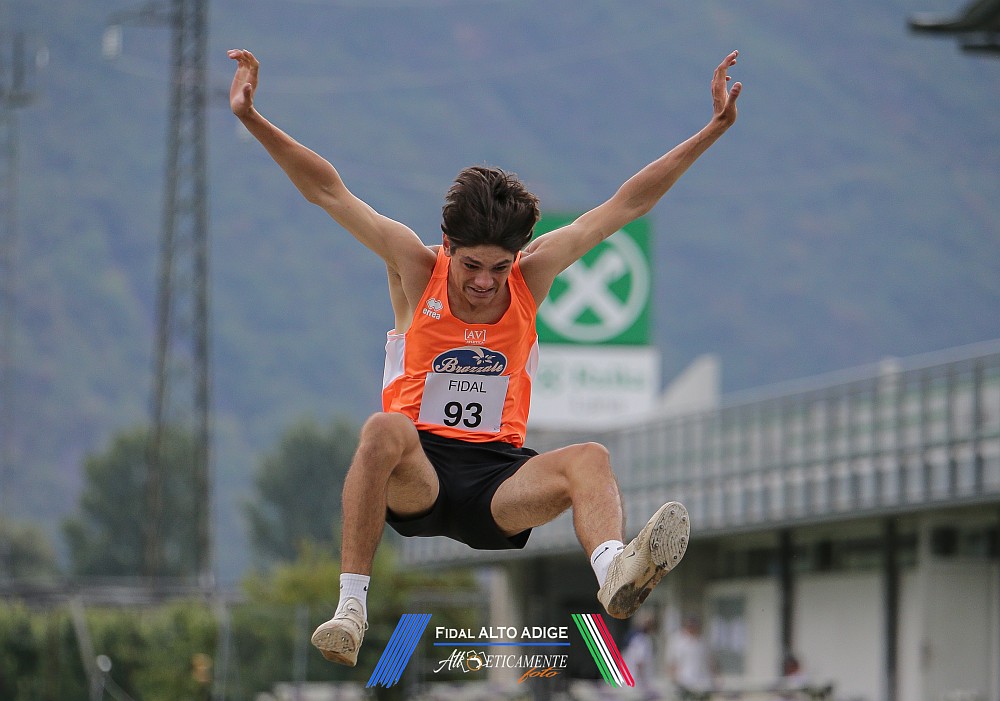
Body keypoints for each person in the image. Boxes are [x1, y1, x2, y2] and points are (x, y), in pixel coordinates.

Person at [228, 46, 742, 667]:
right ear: (449, 245)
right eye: (472, 265)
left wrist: (712, 130)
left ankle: (614, 571)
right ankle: (351, 609)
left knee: (591, 458)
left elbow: (626, 205)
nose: (483, 282)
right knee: (383, 428)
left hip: (498, 481)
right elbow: (326, 190)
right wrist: (251, 117)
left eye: (499, 268)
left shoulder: (531, 277)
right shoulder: (414, 267)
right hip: (419, 472)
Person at [666, 615, 715, 699]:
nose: (692, 628)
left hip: (703, 684)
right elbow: (671, 662)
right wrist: (673, 678)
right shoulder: (677, 641)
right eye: (690, 626)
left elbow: (710, 661)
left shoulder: (703, 641)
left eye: (695, 626)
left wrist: (715, 677)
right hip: (684, 682)